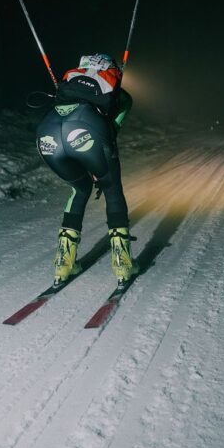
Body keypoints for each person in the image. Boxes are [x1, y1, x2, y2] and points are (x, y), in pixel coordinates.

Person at [35, 53, 136, 286]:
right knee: (112, 189)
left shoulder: (70, 82)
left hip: (47, 134)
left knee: (79, 189)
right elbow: (111, 131)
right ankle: (122, 264)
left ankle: (63, 263)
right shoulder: (117, 93)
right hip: (86, 130)